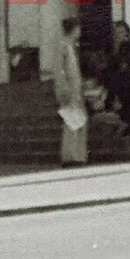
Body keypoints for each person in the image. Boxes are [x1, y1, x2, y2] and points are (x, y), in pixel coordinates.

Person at [54, 17, 88, 167]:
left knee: (79, 121)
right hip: (69, 90)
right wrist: (63, 89)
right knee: (72, 122)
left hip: (75, 90)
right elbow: (59, 71)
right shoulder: (63, 46)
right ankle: (71, 156)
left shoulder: (71, 46)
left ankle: (78, 155)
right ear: (74, 29)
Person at [107, 21, 130, 134]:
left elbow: (129, 64)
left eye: (121, 31)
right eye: (116, 32)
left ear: (127, 32)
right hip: (118, 83)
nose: (118, 34)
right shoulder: (113, 47)